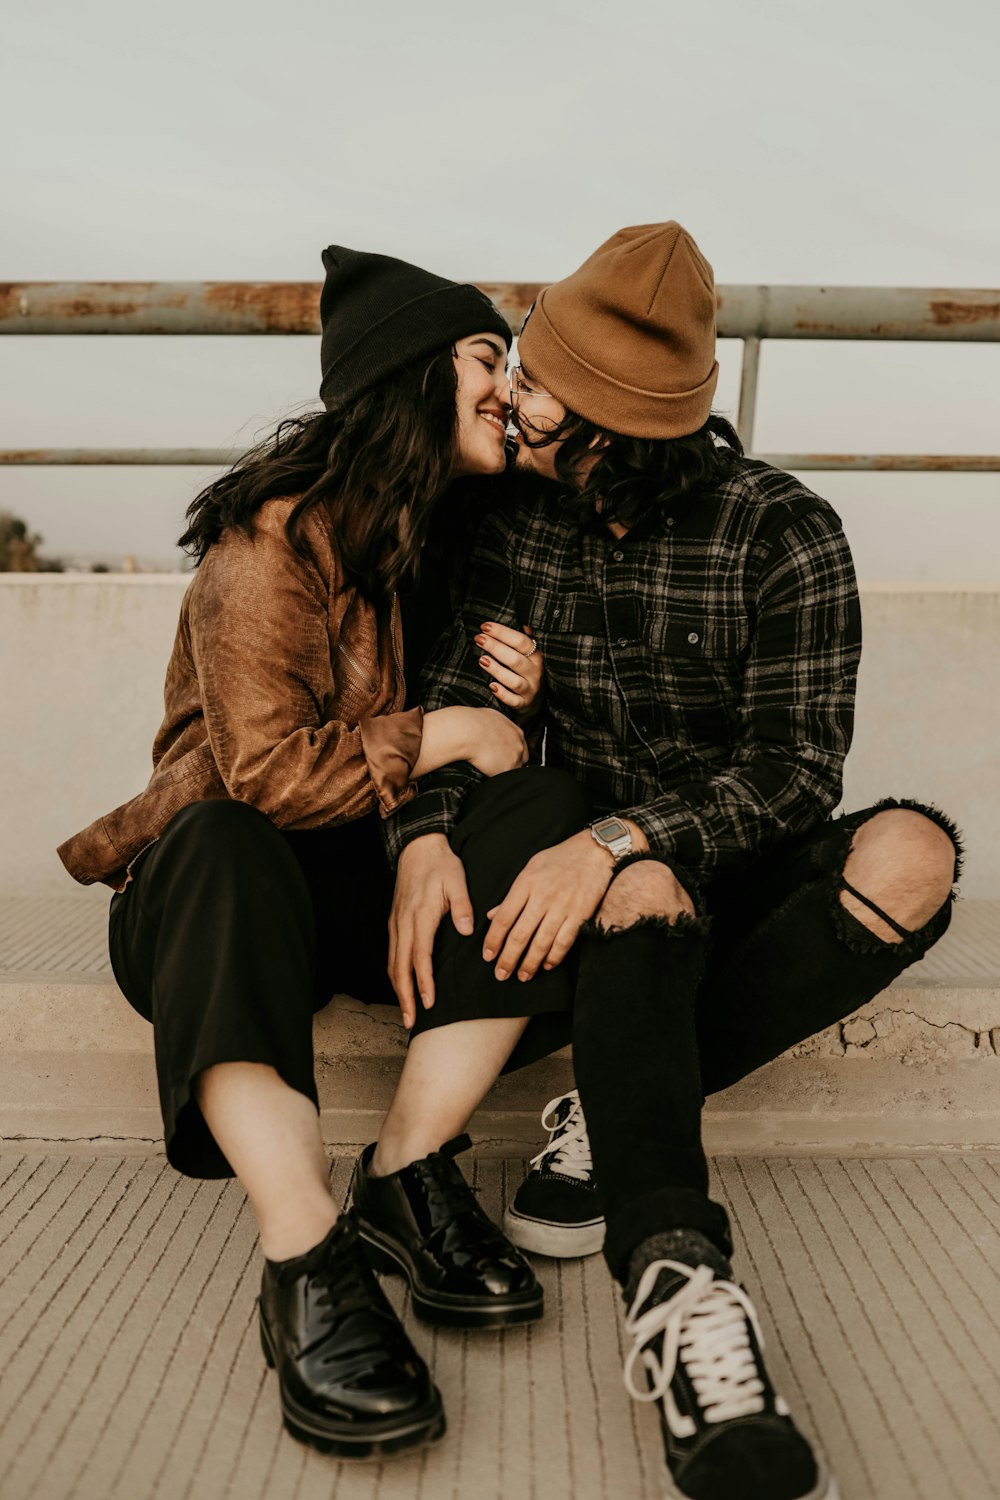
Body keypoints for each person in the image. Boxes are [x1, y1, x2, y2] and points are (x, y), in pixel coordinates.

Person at [381, 222, 962, 1500]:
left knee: (915, 853)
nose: (514, 403)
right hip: (592, 870)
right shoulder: (506, 518)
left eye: (535, 388)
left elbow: (797, 771)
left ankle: (620, 1101)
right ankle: (681, 1286)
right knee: (642, 892)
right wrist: (436, 835)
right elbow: (440, 698)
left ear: (606, 427)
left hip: (706, 843)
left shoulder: (781, 530)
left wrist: (626, 837)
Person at [56, 246, 566, 1462]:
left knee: (546, 810)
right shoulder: (269, 544)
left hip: (359, 885)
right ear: (408, 377)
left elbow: (494, 751)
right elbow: (268, 775)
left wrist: (518, 701)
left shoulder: (447, 532)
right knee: (227, 832)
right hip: (211, 901)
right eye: (489, 361)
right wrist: (439, 728)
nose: (510, 388)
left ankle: (408, 1166)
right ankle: (305, 1251)